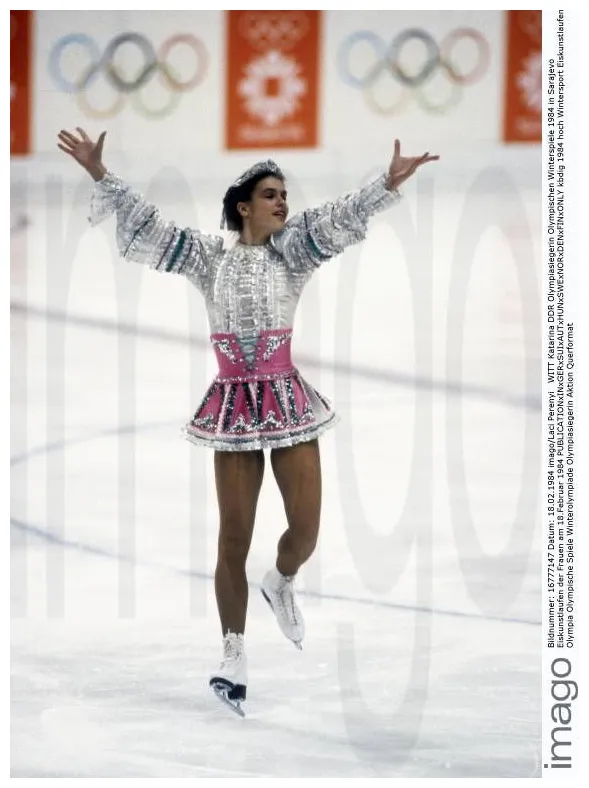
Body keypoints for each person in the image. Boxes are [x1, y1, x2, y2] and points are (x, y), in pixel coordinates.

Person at [57, 127, 439, 715]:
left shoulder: (296, 251)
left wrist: (386, 182)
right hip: (233, 407)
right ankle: (232, 654)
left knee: (305, 533)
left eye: (284, 193)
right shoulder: (209, 257)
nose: (283, 202)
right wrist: (99, 174)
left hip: (287, 400)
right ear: (243, 205)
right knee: (232, 536)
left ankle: (280, 581)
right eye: (270, 194)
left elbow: (341, 216)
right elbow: (150, 224)